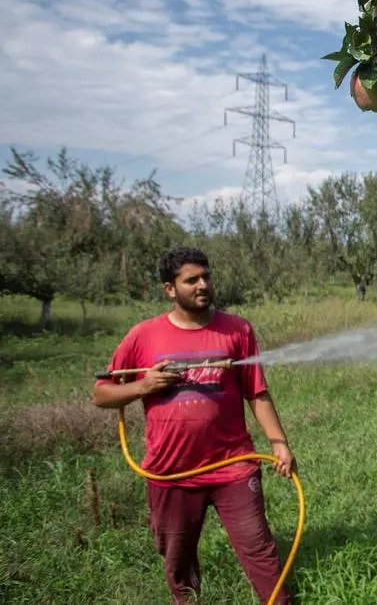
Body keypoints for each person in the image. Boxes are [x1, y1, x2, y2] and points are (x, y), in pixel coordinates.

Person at [92, 246, 297, 604]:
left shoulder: (237, 330)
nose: (202, 285)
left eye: (206, 277)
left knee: (260, 549)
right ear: (169, 289)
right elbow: (101, 394)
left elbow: (257, 392)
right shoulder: (143, 336)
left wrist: (279, 443)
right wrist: (144, 386)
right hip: (170, 471)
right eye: (191, 280)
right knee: (178, 559)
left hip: (233, 465)